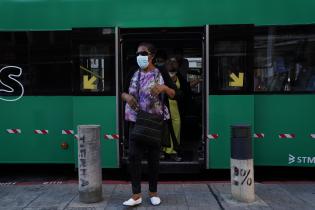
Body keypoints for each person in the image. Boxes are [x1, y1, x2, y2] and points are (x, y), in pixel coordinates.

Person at [121, 42, 176, 207]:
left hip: (154, 123)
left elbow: (174, 94)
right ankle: (136, 195)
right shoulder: (132, 71)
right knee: (134, 157)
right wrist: (128, 98)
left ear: (151, 56)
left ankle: (153, 193)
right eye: (138, 54)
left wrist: (163, 87)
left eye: (143, 54)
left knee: (153, 159)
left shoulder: (161, 72)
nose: (139, 57)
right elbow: (122, 92)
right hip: (135, 122)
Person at [163, 58, 192, 161]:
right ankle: (163, 151)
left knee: (176, 129)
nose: (172, 64)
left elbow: (185, 90)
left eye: (174, 62)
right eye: (169, 62)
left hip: (176, 108)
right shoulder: (162, 77)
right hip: (163, 107)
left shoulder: (180, 77)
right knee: (164, 129)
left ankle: (173, 151)